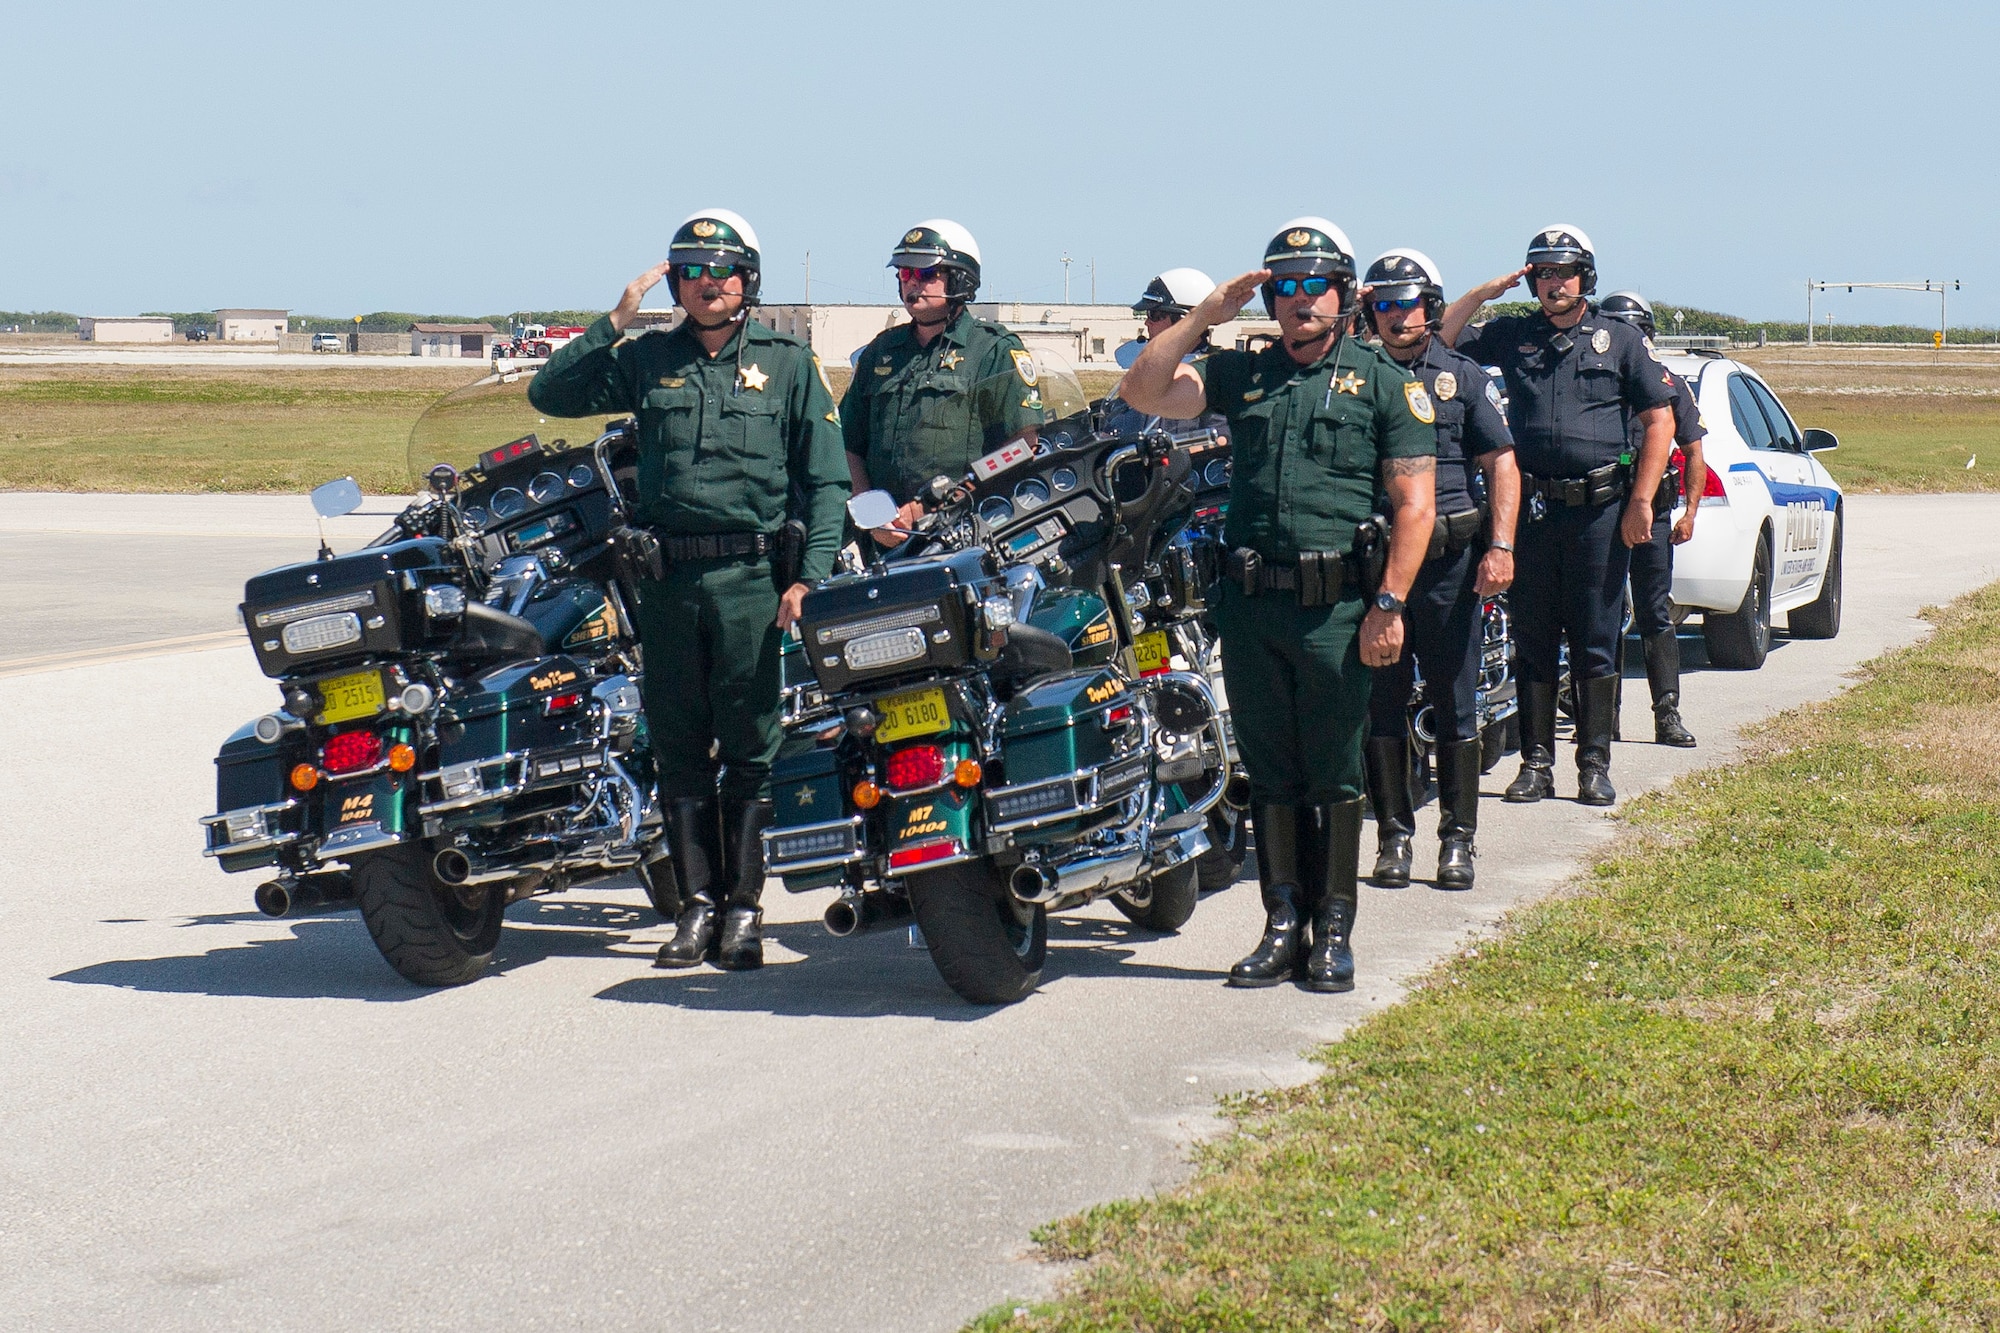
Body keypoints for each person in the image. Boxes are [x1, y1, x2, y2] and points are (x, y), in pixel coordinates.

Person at [528, 208, 850, 971]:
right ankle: (694, 908)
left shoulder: (789, 363)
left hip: (750, 581)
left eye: (723, 270)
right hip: (667, 584)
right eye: (692, 272)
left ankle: (744, 910)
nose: (708, 284)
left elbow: (826, 480)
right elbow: (550, 392)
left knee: (748, 745)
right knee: (676, 746)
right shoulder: (647, 359)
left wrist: (810, 577)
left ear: (749, 280)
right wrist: (612, 322)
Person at [1121, 218, 1437, 993]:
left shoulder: (1386, 383)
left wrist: (1389, 604)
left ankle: (1333, 930)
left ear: (1344, 292)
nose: (1298, 300)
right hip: (1253, 607)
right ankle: (1280, 924)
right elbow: (1142, 388)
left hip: (1338, 611)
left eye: (1313, 284)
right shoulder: (1242, 373)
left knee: (1331, 776)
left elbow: (1416, 505)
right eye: (1284, 286)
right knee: (1270, 775)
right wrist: (1201, 320)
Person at [1440, 225, 1675, 807]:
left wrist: (1642, 500)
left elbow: (1660, 423)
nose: (1554, 283)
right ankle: (1536, 764)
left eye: (1564, 271)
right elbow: (1439, 342)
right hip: (1532, 512)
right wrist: (1482, 294)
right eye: (1542, 273)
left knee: (1596, 639)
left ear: (1585, 277)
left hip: (1601, 512)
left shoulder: (1619, 340)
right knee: (1533, 638)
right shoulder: (1513, 334)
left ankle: (1593, 764)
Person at [1357, 249, 1520, 890]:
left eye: (1412, 303)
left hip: (1451, 564)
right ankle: (1394, 837)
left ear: (1432, 307)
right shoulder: (1351, 377)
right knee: (1382, 707)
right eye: (1386, 305)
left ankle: (1459, 841)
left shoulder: (1461, 376)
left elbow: (1501, 462)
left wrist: (1500, 546)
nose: (1399, 317)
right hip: (1374, 566)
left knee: (1455, 703)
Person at [839, 220, 1039, 544]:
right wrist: (871, 516)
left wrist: (931, 506)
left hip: (962, 535)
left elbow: (1021, 446)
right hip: (882, 543)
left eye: (925, 273)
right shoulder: (880, 352)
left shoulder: (993, 351)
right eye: (905, 273)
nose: (912, 284)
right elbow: (848, 445)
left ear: (961, 278)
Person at [1599, 290, 1707, 747]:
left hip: (1654, 513)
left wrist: (1691, 511)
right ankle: (1605, 720)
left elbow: (1694, 450)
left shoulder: (1668, 383)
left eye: (1637, 331)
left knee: (1654, 613)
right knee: (1602, 617)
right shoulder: (1596, 380)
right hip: (1601, 508)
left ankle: (1667, 713)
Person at [1102, 268, 1230, 441]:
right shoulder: (1148, 371)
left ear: (1184, 320)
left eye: (1155, 314)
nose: (1147, 322)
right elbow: (1114, 427)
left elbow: (1220, 439)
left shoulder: (1214, 373)